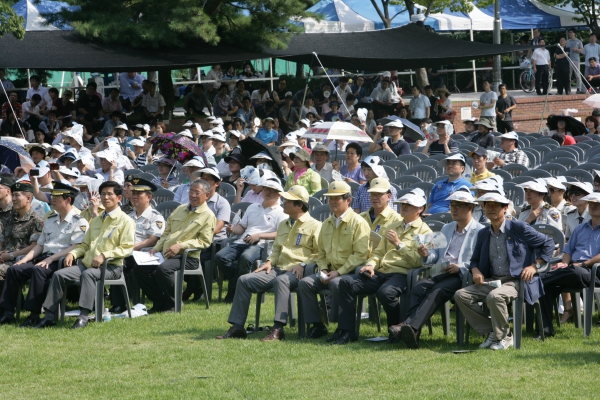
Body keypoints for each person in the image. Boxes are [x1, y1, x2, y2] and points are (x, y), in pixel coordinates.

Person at [216, 185, 321, 341]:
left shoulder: (315, 225)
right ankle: (237, 327)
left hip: (298, 271)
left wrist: (304, 265)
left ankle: (278, 328)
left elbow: (320, 253)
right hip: (278, 268)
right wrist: (269, 261)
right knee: (244, 280)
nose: (283, 202)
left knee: (281, 281)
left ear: (299, 205)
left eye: (288, 201)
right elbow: (277, 248)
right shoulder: (285, 224)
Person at [454, 192, 554, 350]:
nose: (491, 208)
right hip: (492, 280)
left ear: (505, 208)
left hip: (516, 281)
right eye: (487, 205)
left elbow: (548, 243)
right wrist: (475, 271)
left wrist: (534, 266)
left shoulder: (518, 227)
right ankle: (494, 331)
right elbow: (474, 260)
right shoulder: (483, 233)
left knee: (495, 296)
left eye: (495, 205)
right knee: (461, 295)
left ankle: (505, 337)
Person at [332, 188, 431, 344]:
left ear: (420, 209)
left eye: (409, 205)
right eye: (402, 204)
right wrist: (371, 265)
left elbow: (418, 262)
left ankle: (396, 331)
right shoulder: (394, 225)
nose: (403, 207)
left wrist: (398, 244)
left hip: (402, 274)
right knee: (346, 282)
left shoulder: (424, 231)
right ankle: (347, 331)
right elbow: (378, 253)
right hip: (381, 271)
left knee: (385, 293)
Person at [389, 190, 484, 348]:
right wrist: (426, 254)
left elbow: (479, 261)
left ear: (469, 208)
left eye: (457, 206)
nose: (453, 209)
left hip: (461, 276)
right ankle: (412, 331)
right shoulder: (447, 228)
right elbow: (434, 255)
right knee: (419, 288)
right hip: (440, 271)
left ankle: (409, 327)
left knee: (437, 291)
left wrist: (459, 267)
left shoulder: (480, 231)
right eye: (451, 205)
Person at [34, 181, 135, 329]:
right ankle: (50, 316)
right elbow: (85, 245)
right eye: (103, 194)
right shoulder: (96, 220)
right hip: (88, 263)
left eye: (110, 194)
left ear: (119, 198)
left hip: (112, 267)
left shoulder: (125, 221)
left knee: (88, 275)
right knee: (60, 274)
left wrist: (105, 255)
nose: (106, 197)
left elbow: (127, 248)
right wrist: (73, 254)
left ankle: (83, 316)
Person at [298, 181, 371, 339]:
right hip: (329, 271)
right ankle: (317, 325)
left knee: (336, 283)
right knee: (305, 283)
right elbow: (321, 252)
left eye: (336, 198)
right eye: (330, 199)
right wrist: (323, 269)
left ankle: (341, 328)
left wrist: (338, 272)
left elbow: (360, 255)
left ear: (348, 200)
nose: (332, 202)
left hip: (350, 273)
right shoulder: (327, 224)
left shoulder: (358, 223)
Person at [132, 179, 215, 313]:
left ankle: (173, 304)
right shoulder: (180, 209)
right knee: (139, 269)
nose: (193, 195)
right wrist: (156, 248)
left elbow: (204, 242)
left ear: (206, 195)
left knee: (164, 269)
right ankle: (159, 302)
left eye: (197, 192)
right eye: (191, 191)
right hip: (166, 253)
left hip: (188, 257)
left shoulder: (208, 215)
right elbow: (166, 233)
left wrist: (181, 246)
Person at [215, 176, 287, 303]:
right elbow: (242, 227)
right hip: (242, 241)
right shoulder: (252, 207)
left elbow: (280, 234)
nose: (268, 192)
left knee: (246, 258)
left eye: (272, 190)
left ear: (279, 195)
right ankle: (236, 283)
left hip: (262, 245)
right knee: (220, 257)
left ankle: (234, 292)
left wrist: (259, 236)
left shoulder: (281, 212)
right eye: (265, 189)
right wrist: (233, 229)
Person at [538, 193, 600, 338]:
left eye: (598, 204)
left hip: (595, 271)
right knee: (545, 287)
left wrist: (583, 264)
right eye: (591, 203)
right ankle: (546, 330)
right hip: (572, 270)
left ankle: (540, 279)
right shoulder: (580, 228)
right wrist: (564, 264)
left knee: (574, 272)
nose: (593, 206)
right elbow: (568, 251)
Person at [109, 176, 166, 313]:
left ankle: (159, 301)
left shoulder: (155, 216)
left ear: (149, 197)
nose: (134, 196)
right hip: (127, 252)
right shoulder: (127, 215)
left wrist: (130, 248)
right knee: (114, 264)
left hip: (146, 253)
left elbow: (153, 239)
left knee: (123, 264)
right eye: (133, 193)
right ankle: (118, 304)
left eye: (139, 194)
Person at [0, 182, 44, 281]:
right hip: (4, 257)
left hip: (19, 261)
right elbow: (2, 239)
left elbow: (34, 247)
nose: (14, 199)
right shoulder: (11, 217)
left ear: (28, 198)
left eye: (17, 195)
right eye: (13, 195)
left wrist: (10, 256)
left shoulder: (36, 221)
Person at [566, 28, 585, 94]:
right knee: (569, 75)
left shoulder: (579, 41)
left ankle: (579, 88)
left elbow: (582, 50)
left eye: (571, 32)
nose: (570, 33)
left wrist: (576, 49)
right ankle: (568, 88)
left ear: (574, 33)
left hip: (576, 60)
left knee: (577, 75)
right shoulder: (567, 41)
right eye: (569, 32)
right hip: (568, 60)